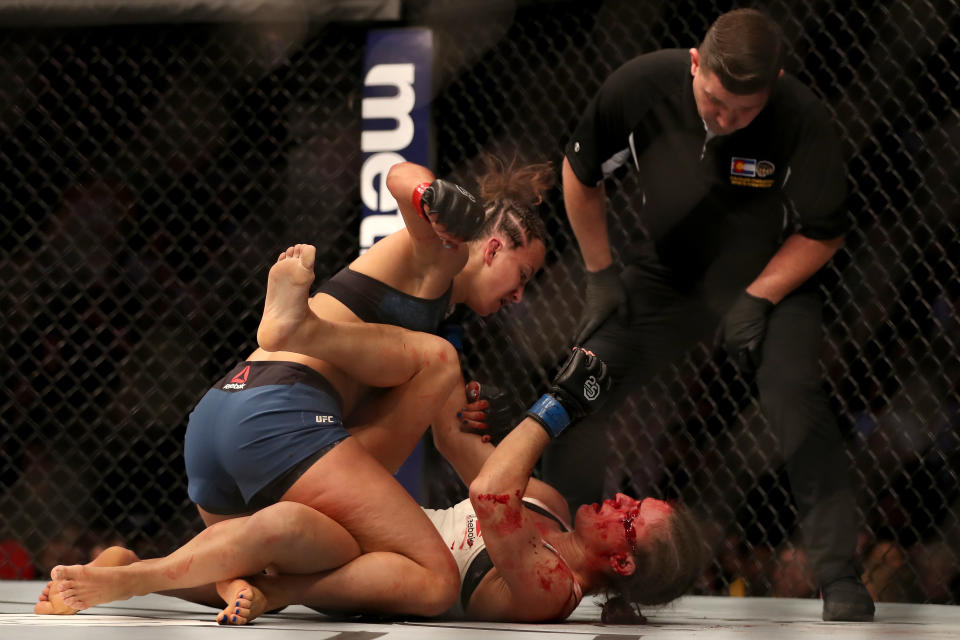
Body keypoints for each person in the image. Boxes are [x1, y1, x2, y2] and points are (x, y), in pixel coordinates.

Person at [40, 254, 704, 622]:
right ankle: (127, 571)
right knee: (291, 535)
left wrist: (558, 407)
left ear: (621, 563)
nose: (620, 501)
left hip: (375, 567)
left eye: (632, 517)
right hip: (374, 527)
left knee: (294, 536)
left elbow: (492, 493)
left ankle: (137, 576)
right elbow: (454, 448)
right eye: (634, 499)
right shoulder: (553, 501)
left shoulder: (552, 591)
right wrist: (456, 380)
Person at [542, 8, 874, 621]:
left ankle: (838, 576)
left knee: (794, 392)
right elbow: (579, 172)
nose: (723, 119)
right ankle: (578, 563)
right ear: (696, 63)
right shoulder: (640, 86)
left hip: (768, 275)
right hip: (667, 275)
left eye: (742, 111)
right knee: (583, 381)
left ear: (772, 83)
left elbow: (825, 233)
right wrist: (599, 276)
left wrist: (760, 294)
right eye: (714, 101)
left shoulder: (800, 120)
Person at [173, 154, 554, 617]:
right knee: (424, 575)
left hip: (221, 415)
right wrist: (430, 195)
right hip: (281, 417)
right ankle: (303, 328)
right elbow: (397, 176)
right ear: (493, 250)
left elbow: (460, 450)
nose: (519, 296)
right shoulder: (440, 256)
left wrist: (528, 483)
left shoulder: (439, 332)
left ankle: (131, 570)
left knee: (275, 569)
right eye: (523, 276)